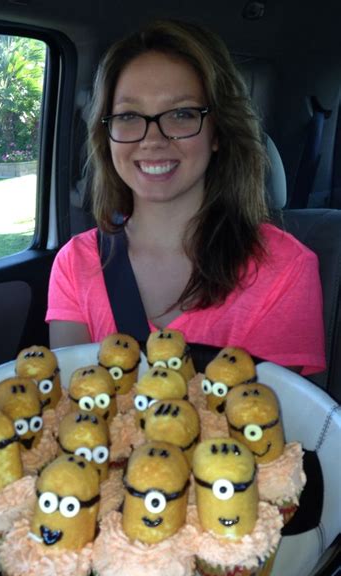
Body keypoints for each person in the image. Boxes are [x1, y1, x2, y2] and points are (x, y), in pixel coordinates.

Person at [46, 19, 326, 376]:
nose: (152, 139)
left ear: (217, 133)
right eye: (129, 115)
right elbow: (73, 404)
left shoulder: (285, 269)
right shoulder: (75, 265)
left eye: (181, 114)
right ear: (108, 134)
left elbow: (279, 422)